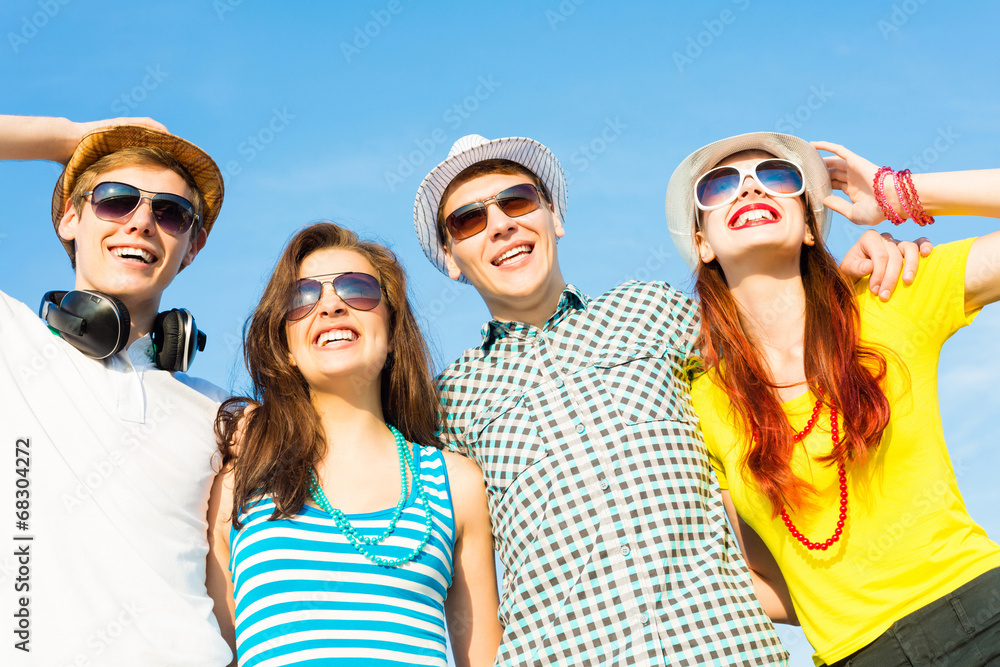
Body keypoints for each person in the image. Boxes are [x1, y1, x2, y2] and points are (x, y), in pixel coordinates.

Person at [411, 134, 921, 666]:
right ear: (451, 258)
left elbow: (780, 346)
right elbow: (473, 604)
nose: (500, 224)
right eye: (468, 220)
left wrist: (850, 276)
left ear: (553, 217)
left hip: (724, 652)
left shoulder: (654, 311)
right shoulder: (449, 402)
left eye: (517, 201)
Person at [665, 131, 1000, 666]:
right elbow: (766, 579)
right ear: (701, 243)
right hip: (853, 654)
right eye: (721, 185)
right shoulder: (701, 402)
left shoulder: (890, 299)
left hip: (981, 610)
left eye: (777, 177)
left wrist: (900, 193)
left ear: (810, 228)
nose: (751, 190)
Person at [207, 222, 501, 666]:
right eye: (302, 296)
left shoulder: (457, 485)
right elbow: (213, 652)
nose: (330, 306)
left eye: (357, 289)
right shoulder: (240, 478)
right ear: (284, 344)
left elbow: (482, 658)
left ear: (392, 329)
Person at [0, 115, 232, 665]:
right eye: (115, 200)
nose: (142, 221)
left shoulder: (222, 411)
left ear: (191, 247)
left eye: (170, 212)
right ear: (70, 218)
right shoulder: (13, 342)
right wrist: (68, 138)